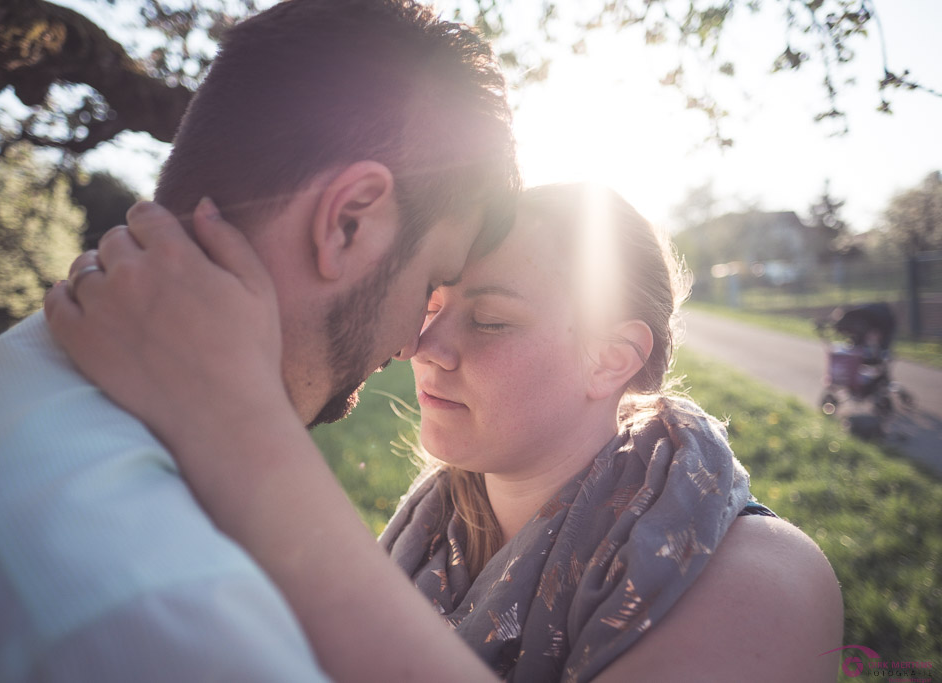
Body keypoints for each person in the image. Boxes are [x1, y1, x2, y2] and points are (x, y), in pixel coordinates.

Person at [0, 1, 519, 681]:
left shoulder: (34, 356)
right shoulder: (171, 619)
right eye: (431, 281)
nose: (418, 342)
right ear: (348, 221)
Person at [46, 184, 844, 681]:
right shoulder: (428, 542)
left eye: (491, 319)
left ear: (612, 358)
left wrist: (239, 430)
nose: (425, 348)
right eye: (434, 305)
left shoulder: (762, 582)